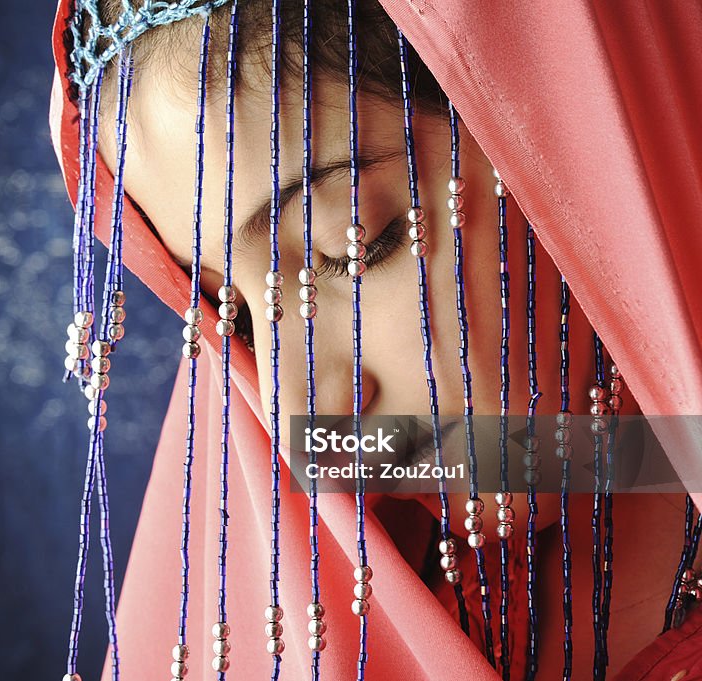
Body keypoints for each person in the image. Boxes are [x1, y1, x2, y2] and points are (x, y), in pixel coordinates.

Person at [49, 0, 702, 678]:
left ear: (574, 125)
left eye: (349, 244)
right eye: (233, 311)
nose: (296, 410)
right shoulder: (378, 607)